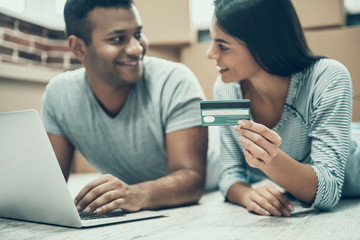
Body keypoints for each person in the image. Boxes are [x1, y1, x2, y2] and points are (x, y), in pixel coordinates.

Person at [41, 0, 218, 215]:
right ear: (78, 48)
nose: (136, 49)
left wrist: (136, 194)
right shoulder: (59, 94)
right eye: (117, 39)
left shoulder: (175, 80)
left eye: (137, 34)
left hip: (222, 175)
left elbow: (192, 179)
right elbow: (50, 187)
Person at [206, 0, 360, 217]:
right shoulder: (225, 89)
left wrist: (270, 158)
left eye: (222, 45)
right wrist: (248, 195)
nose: (210, 54)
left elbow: (329, 191)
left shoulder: (329, 77)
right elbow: (230, 174)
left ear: (264, 42)